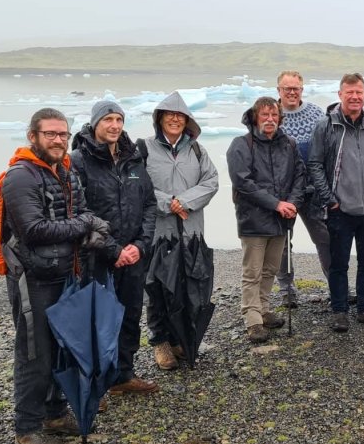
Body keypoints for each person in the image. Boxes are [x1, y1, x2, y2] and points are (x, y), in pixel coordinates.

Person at [2, 108, 106, 444]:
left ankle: (55, 412)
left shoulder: (66, 170)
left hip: (64, 272)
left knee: (62, 346)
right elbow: (33, 230)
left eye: (63, 134)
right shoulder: (20, 177)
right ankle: (27, 428)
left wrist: (92, 226)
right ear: (33, 136)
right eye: (50, 134)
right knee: (35, 353)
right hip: (33, 279)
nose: (58, 140)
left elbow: (86, 211)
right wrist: (83, 228)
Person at [70, 101, 158, 395]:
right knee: (97, 320)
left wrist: (140, 246)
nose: (114, 125)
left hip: (133, 256)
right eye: (108, 119)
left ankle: (123, 375)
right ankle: (95, 383)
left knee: (129, 315)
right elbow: (79, 214)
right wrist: (113, 250)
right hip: (97, 257)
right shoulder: (79, 161)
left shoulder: (133, 158)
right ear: (95, 123)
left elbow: (149, 204)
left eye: (119, 119)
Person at [140, 93, 219, 370]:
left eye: (180, 115)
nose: (174, 119)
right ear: (159, 118)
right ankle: (160, 342)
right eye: (169, 114)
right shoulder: (145, 149)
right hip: (159, 233)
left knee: (188, 285)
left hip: (191, 232)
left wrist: (183, 201)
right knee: (158, 286)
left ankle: (178, 339)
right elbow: (139, 186)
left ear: (187, 121)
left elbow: (211, 181)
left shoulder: (197, 151)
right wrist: (168, 203)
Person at [306, 73, 364, 332]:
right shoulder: (327, 125)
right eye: (349, 92)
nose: (355, 97)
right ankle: (340, 311)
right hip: (340, 208)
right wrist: (329, 198)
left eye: (359, 92)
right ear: (340, 94)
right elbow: (315, 164)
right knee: (339, 263)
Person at [227, 96, 307, 342]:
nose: (270, 120)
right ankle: (252, 320)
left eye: (274, 115)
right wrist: (276, 204)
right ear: (255, 117)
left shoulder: (289, 144)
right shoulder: (241, 145)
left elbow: (300, 176)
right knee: (252, 271)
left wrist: (292, 202)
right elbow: (243, 183)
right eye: (265, 115)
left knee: (270, 269)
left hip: (281, 220)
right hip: (253, 220)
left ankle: (262, 309)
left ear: (280, 118)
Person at [275, 70, 330, 308]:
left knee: (325, 239)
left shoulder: (316, 114)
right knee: (283, 242)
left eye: (295, 88)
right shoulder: (270, 115)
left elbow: (328, 150)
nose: (291, 92)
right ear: (279, 90)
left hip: (313, 191)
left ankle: (335, 284)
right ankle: (287, 288)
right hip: (283, 193)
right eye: (286, 88)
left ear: (302, 90)